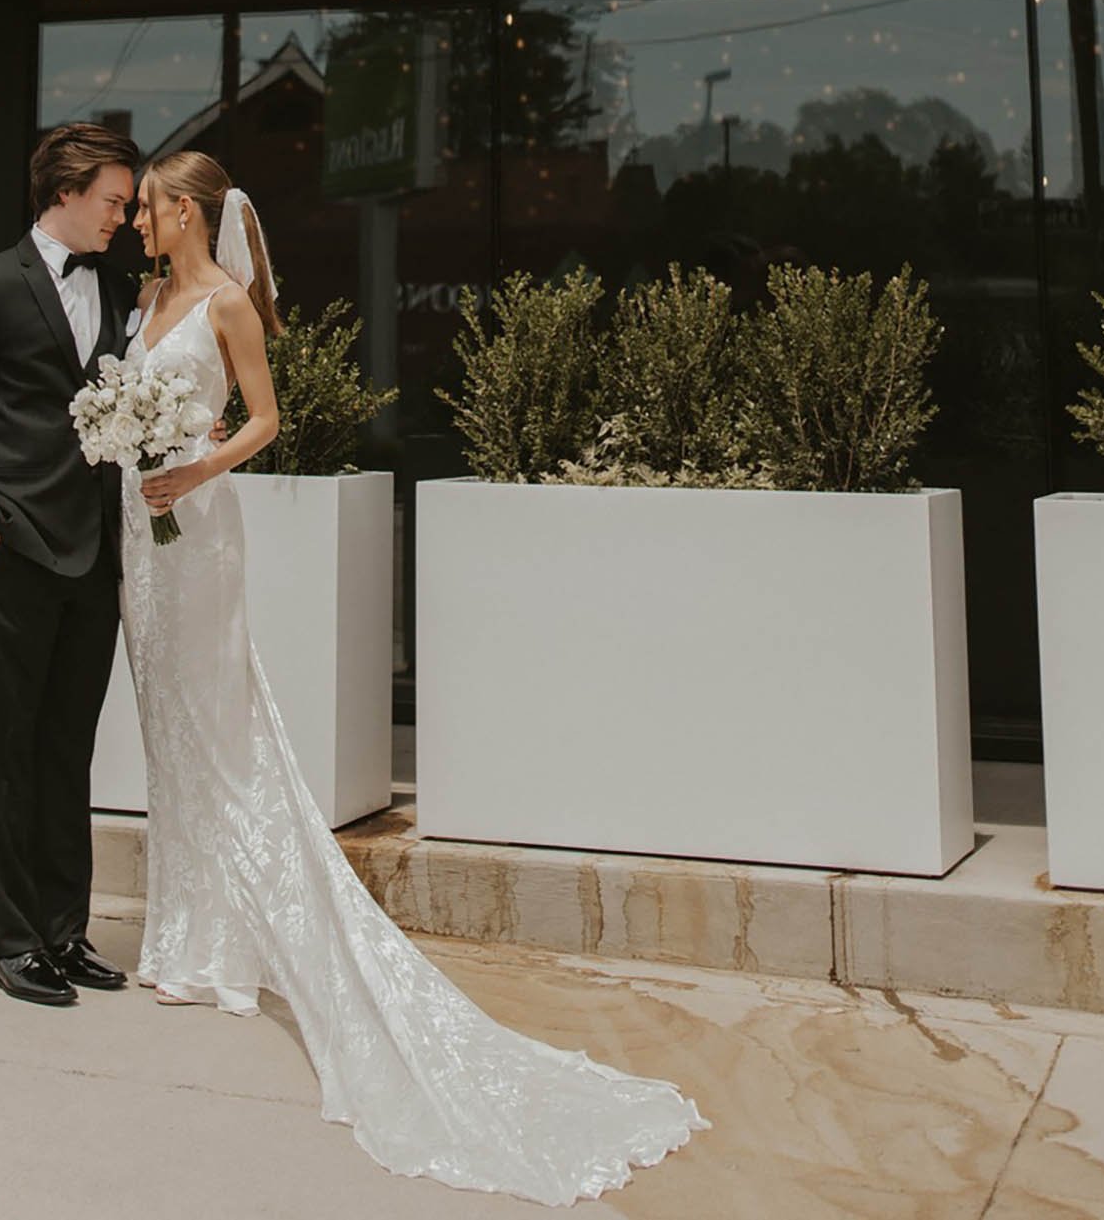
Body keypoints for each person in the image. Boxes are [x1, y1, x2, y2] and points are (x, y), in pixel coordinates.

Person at [118, 148, 706, 1200]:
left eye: (150, 210)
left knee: (215, 721)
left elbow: (264, 419)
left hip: (198, 531)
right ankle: (185, 935)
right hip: (138, 533)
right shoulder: (150, 295)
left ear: (189, 213)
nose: (136, 224)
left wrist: (198, 464)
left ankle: (228, 943)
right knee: (164, 725)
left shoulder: (224, 303)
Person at [0, 121, 138, 1009]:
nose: (122, 219)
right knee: (3, 750)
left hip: (95, 555)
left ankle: (63, 930)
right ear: (64, 191)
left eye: (128, 206)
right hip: (13, 552)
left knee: (66, 749)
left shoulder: (120, 288)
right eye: (113, 202)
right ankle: (8, 941)